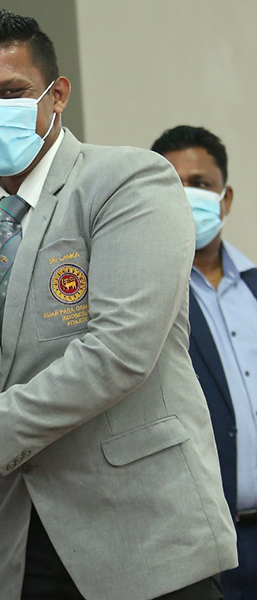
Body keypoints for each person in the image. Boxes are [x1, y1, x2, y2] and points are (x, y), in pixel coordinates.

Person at [0, 11, 237, 600]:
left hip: (144, 536)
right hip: (23, 543)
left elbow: (119, 353)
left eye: (11, 92)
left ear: (57, 96)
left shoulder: (128, 181)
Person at [152, 125, 257, 600]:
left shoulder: (255, 286)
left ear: (226, 196)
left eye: (200, 183)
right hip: (198, 539)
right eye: (173, 185)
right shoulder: (145, 296)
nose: (188, 195)